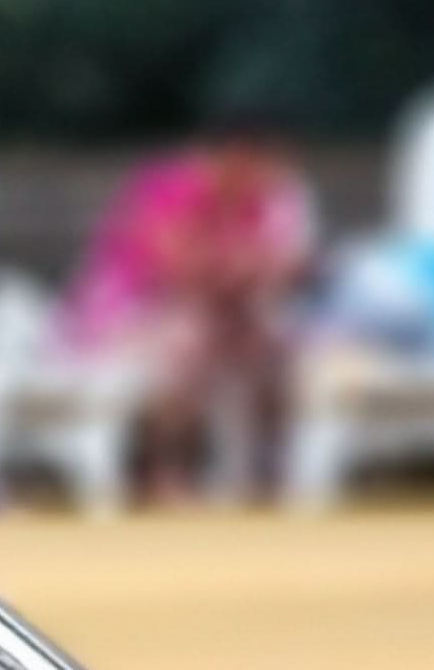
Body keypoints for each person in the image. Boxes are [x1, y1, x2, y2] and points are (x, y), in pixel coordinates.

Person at [62, 141, 316, 502]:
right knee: (188, 343)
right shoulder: (170, 189)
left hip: (210, 317)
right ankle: (167, 471)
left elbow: (281, 268)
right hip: (117, 323)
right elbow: (177, 268)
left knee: (269, 344)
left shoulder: (260, 200)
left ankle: (261, 473)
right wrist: (237, 270)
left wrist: (240, 274)